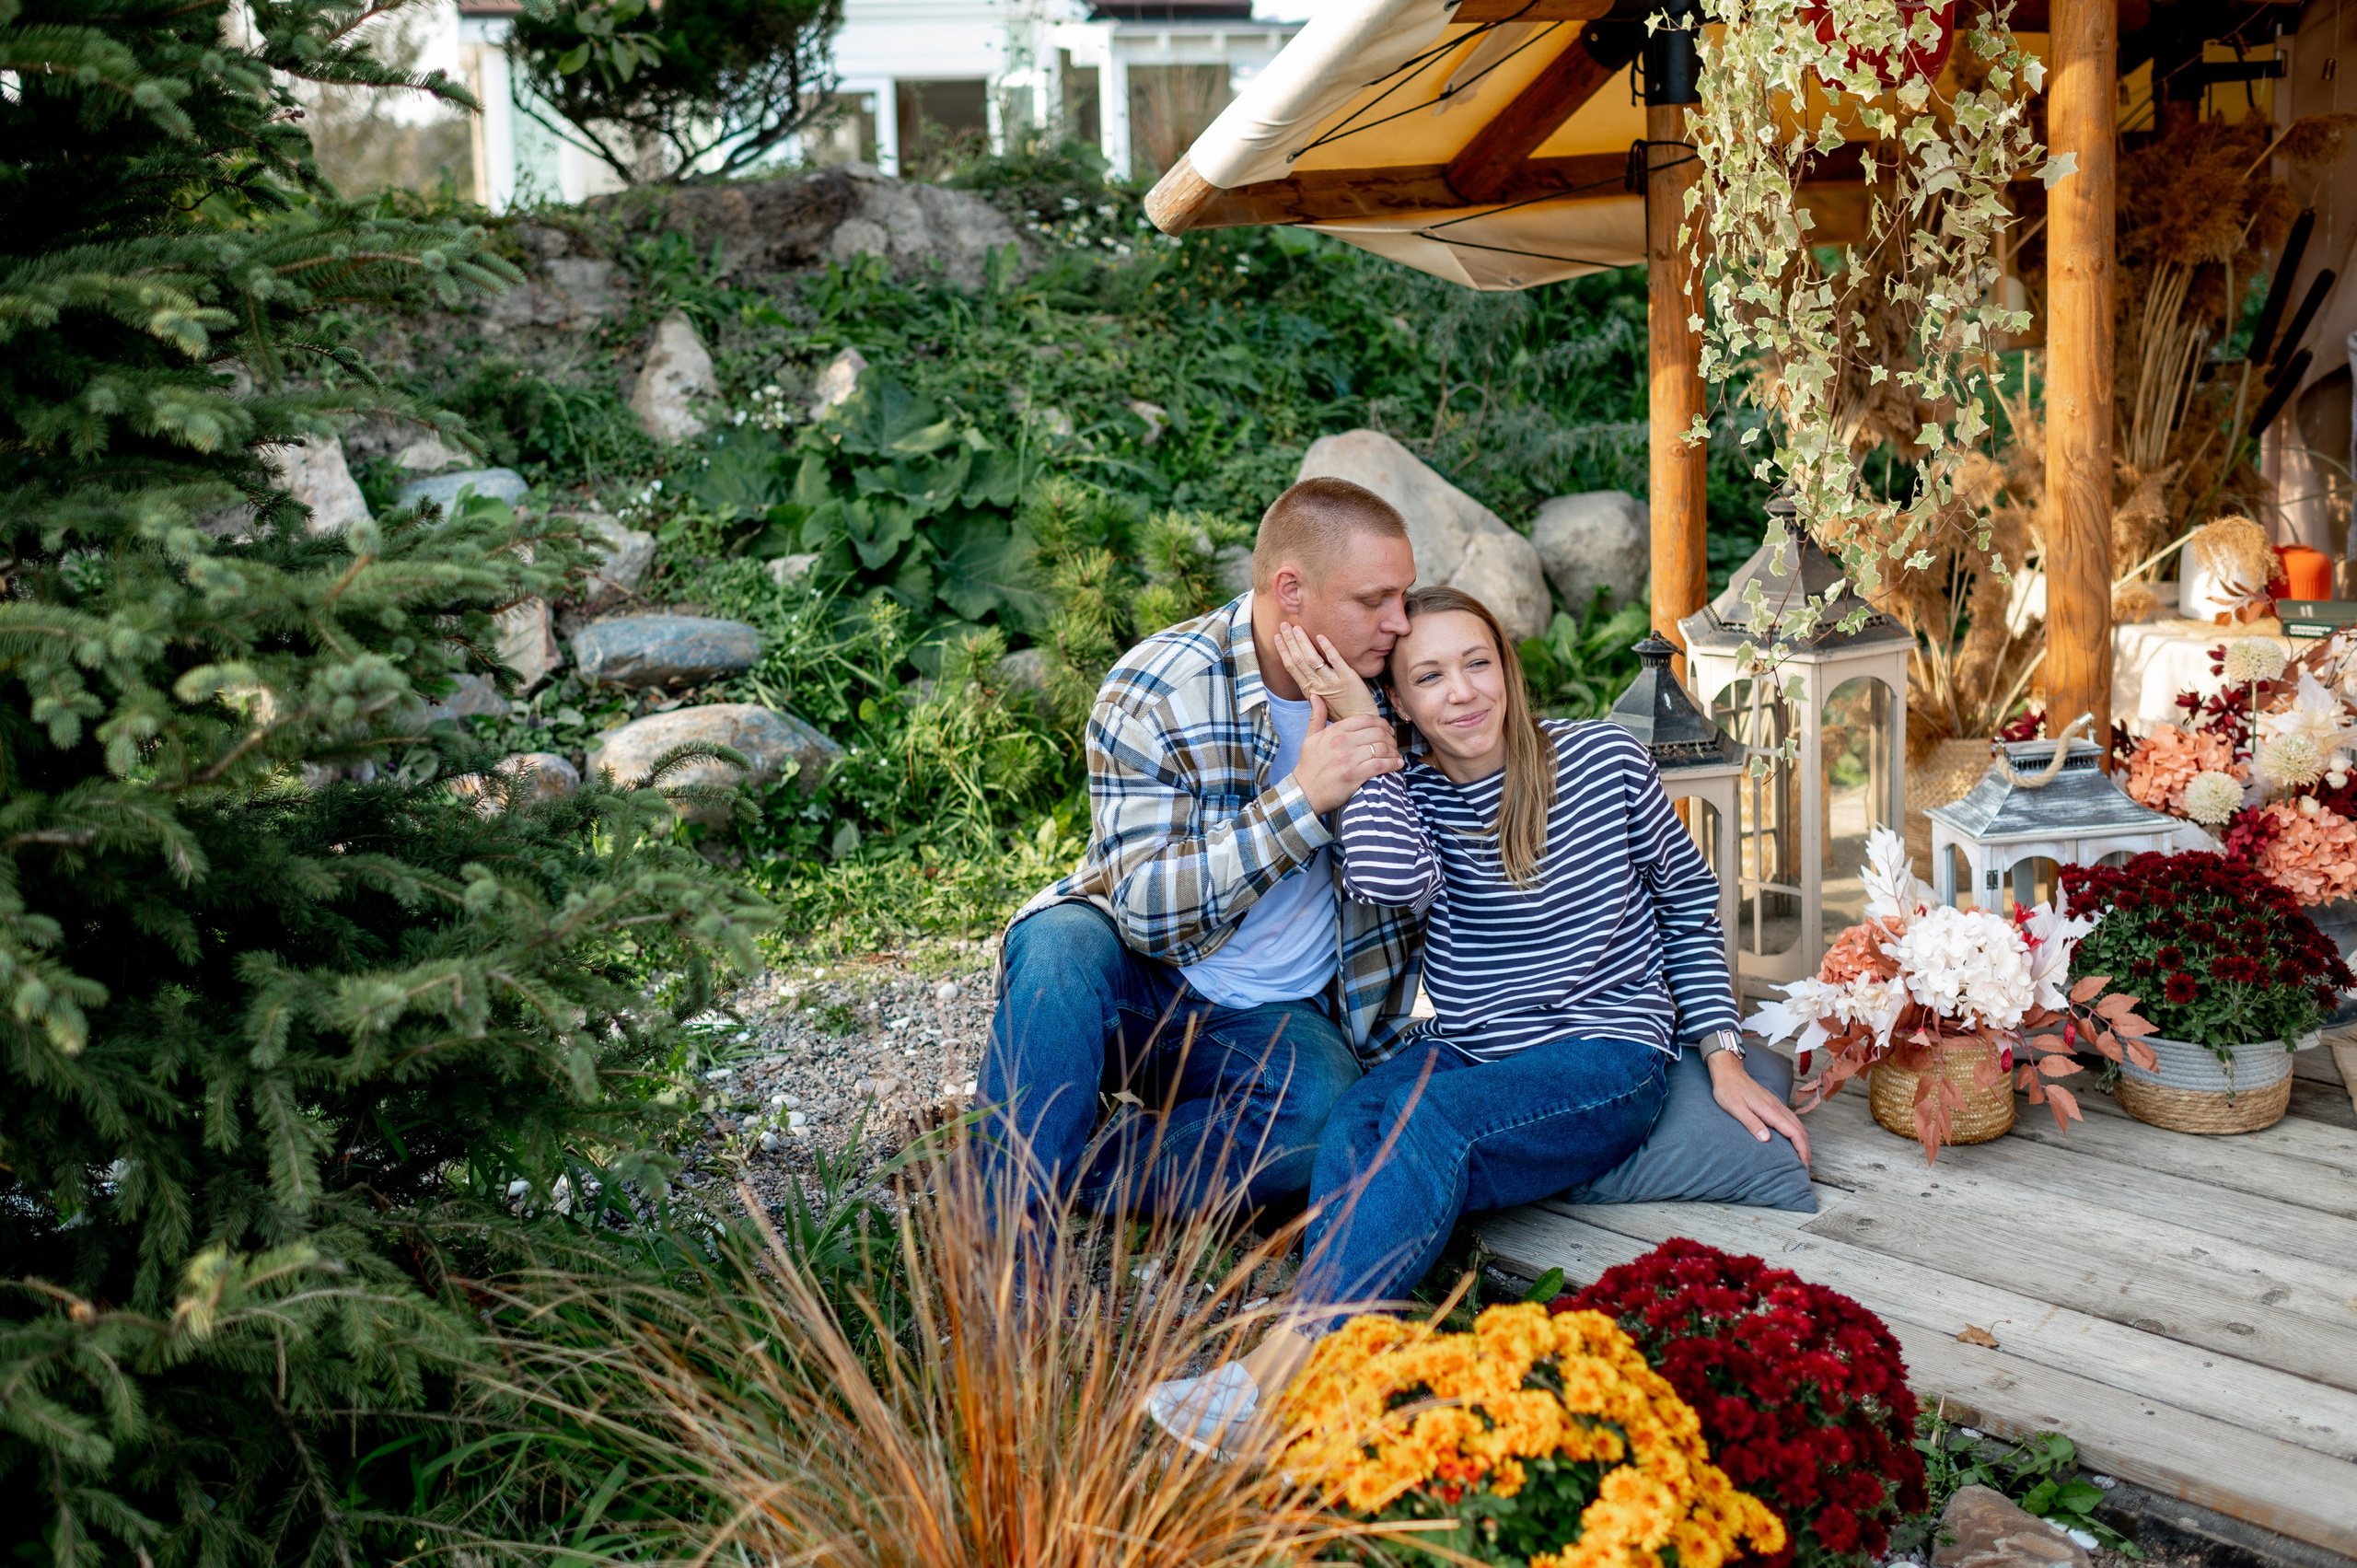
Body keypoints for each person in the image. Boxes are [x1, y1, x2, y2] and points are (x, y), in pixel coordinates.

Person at [1147, 586, 1808, 1452]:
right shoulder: (1405, 794)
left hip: (1604, 1054)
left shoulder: (1605, 758)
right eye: (1428, 676)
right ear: (1400, 702)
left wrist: (1722, 1054)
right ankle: (1344, 1369)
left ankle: (1285, 1369)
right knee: (1360, 1113)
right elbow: (1389, 879)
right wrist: (1362, 727)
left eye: (1477, 663)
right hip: (1470, 1046)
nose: (1462, 692)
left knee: (1429, 1121)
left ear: (1507, 668)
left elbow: (1687, 897)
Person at [979, 477, 1427, 1225]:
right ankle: (998, 1239)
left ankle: (1084, 1166)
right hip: (1139, 979)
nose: (1401, 622)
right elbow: (1146, 914)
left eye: (1404, 595)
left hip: (1275, 1013)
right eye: (1374, 599)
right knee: (1056, 946)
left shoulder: (1399, 689)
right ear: (1291, 590)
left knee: (1318, 1115)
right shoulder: (1159, 688)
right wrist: (1302, 800)